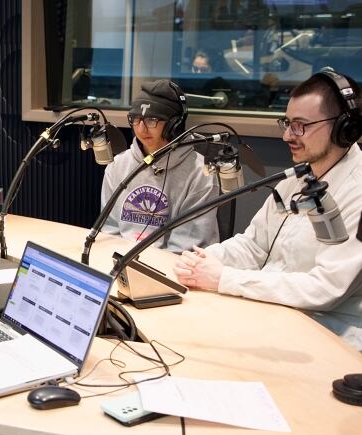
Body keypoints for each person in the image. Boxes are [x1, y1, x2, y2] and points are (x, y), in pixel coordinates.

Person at [173, 71, 362, 350]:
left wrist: (223, 278)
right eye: (286, 123)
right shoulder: (299, 176)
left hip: (327, 336)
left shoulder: (357, 190)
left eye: (300, 126)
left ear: (345, 127)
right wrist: (203, 261)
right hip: (273, 315)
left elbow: (324, 289)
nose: (287, 135)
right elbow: (254, 245)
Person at [100, 79, 220, 253]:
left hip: (171, 270)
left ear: (174, 125)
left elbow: (184, 249)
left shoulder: (201, 173)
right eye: (136, 119)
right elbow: (110, 232)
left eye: (152, 120)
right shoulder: (118, 165)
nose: (141, 129)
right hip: (121, 264)